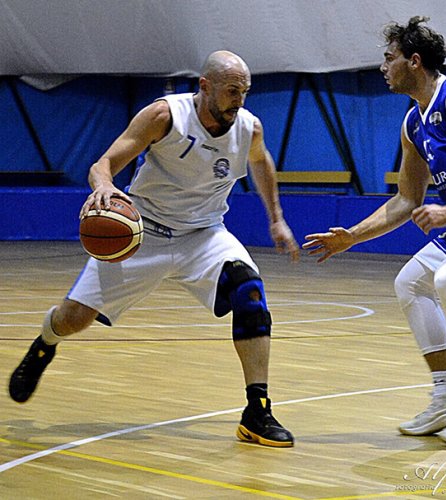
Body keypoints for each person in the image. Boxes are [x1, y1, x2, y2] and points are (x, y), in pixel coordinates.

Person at [9, 50, 300, 448]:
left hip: (204, 234)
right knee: (74, 318)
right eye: (232, 91)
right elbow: (104, 163)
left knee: (250, 292)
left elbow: (261, 163)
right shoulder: (165, 116)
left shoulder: (249, 127)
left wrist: (276, 219)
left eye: (245, 92)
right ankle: (45, 344)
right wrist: (106, 187)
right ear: (205, 86)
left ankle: (257, 410)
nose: (239, 99)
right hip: (142, 233)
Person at [303, 16, 446, 446]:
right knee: (410, 282)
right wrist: (353, 235)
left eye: (389, 58)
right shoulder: (413, 123)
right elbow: (406, 199)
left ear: (414, 60)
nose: (383, 67)